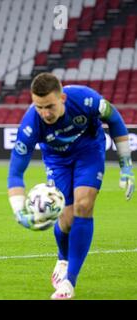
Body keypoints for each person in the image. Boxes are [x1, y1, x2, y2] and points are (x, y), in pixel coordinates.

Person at [7, 72, 134, 299]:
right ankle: (63, 257)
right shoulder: (30, 123)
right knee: (65, 220)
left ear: (62, 99)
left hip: (89, 152)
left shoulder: (86, 99)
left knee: (83, 206)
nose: (45, 113)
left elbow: (114, 119)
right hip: (57, 160)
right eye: (38, 107)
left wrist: (126, 165)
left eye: (49, 106)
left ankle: (69, 282)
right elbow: (15, 172)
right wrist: (18, 212)